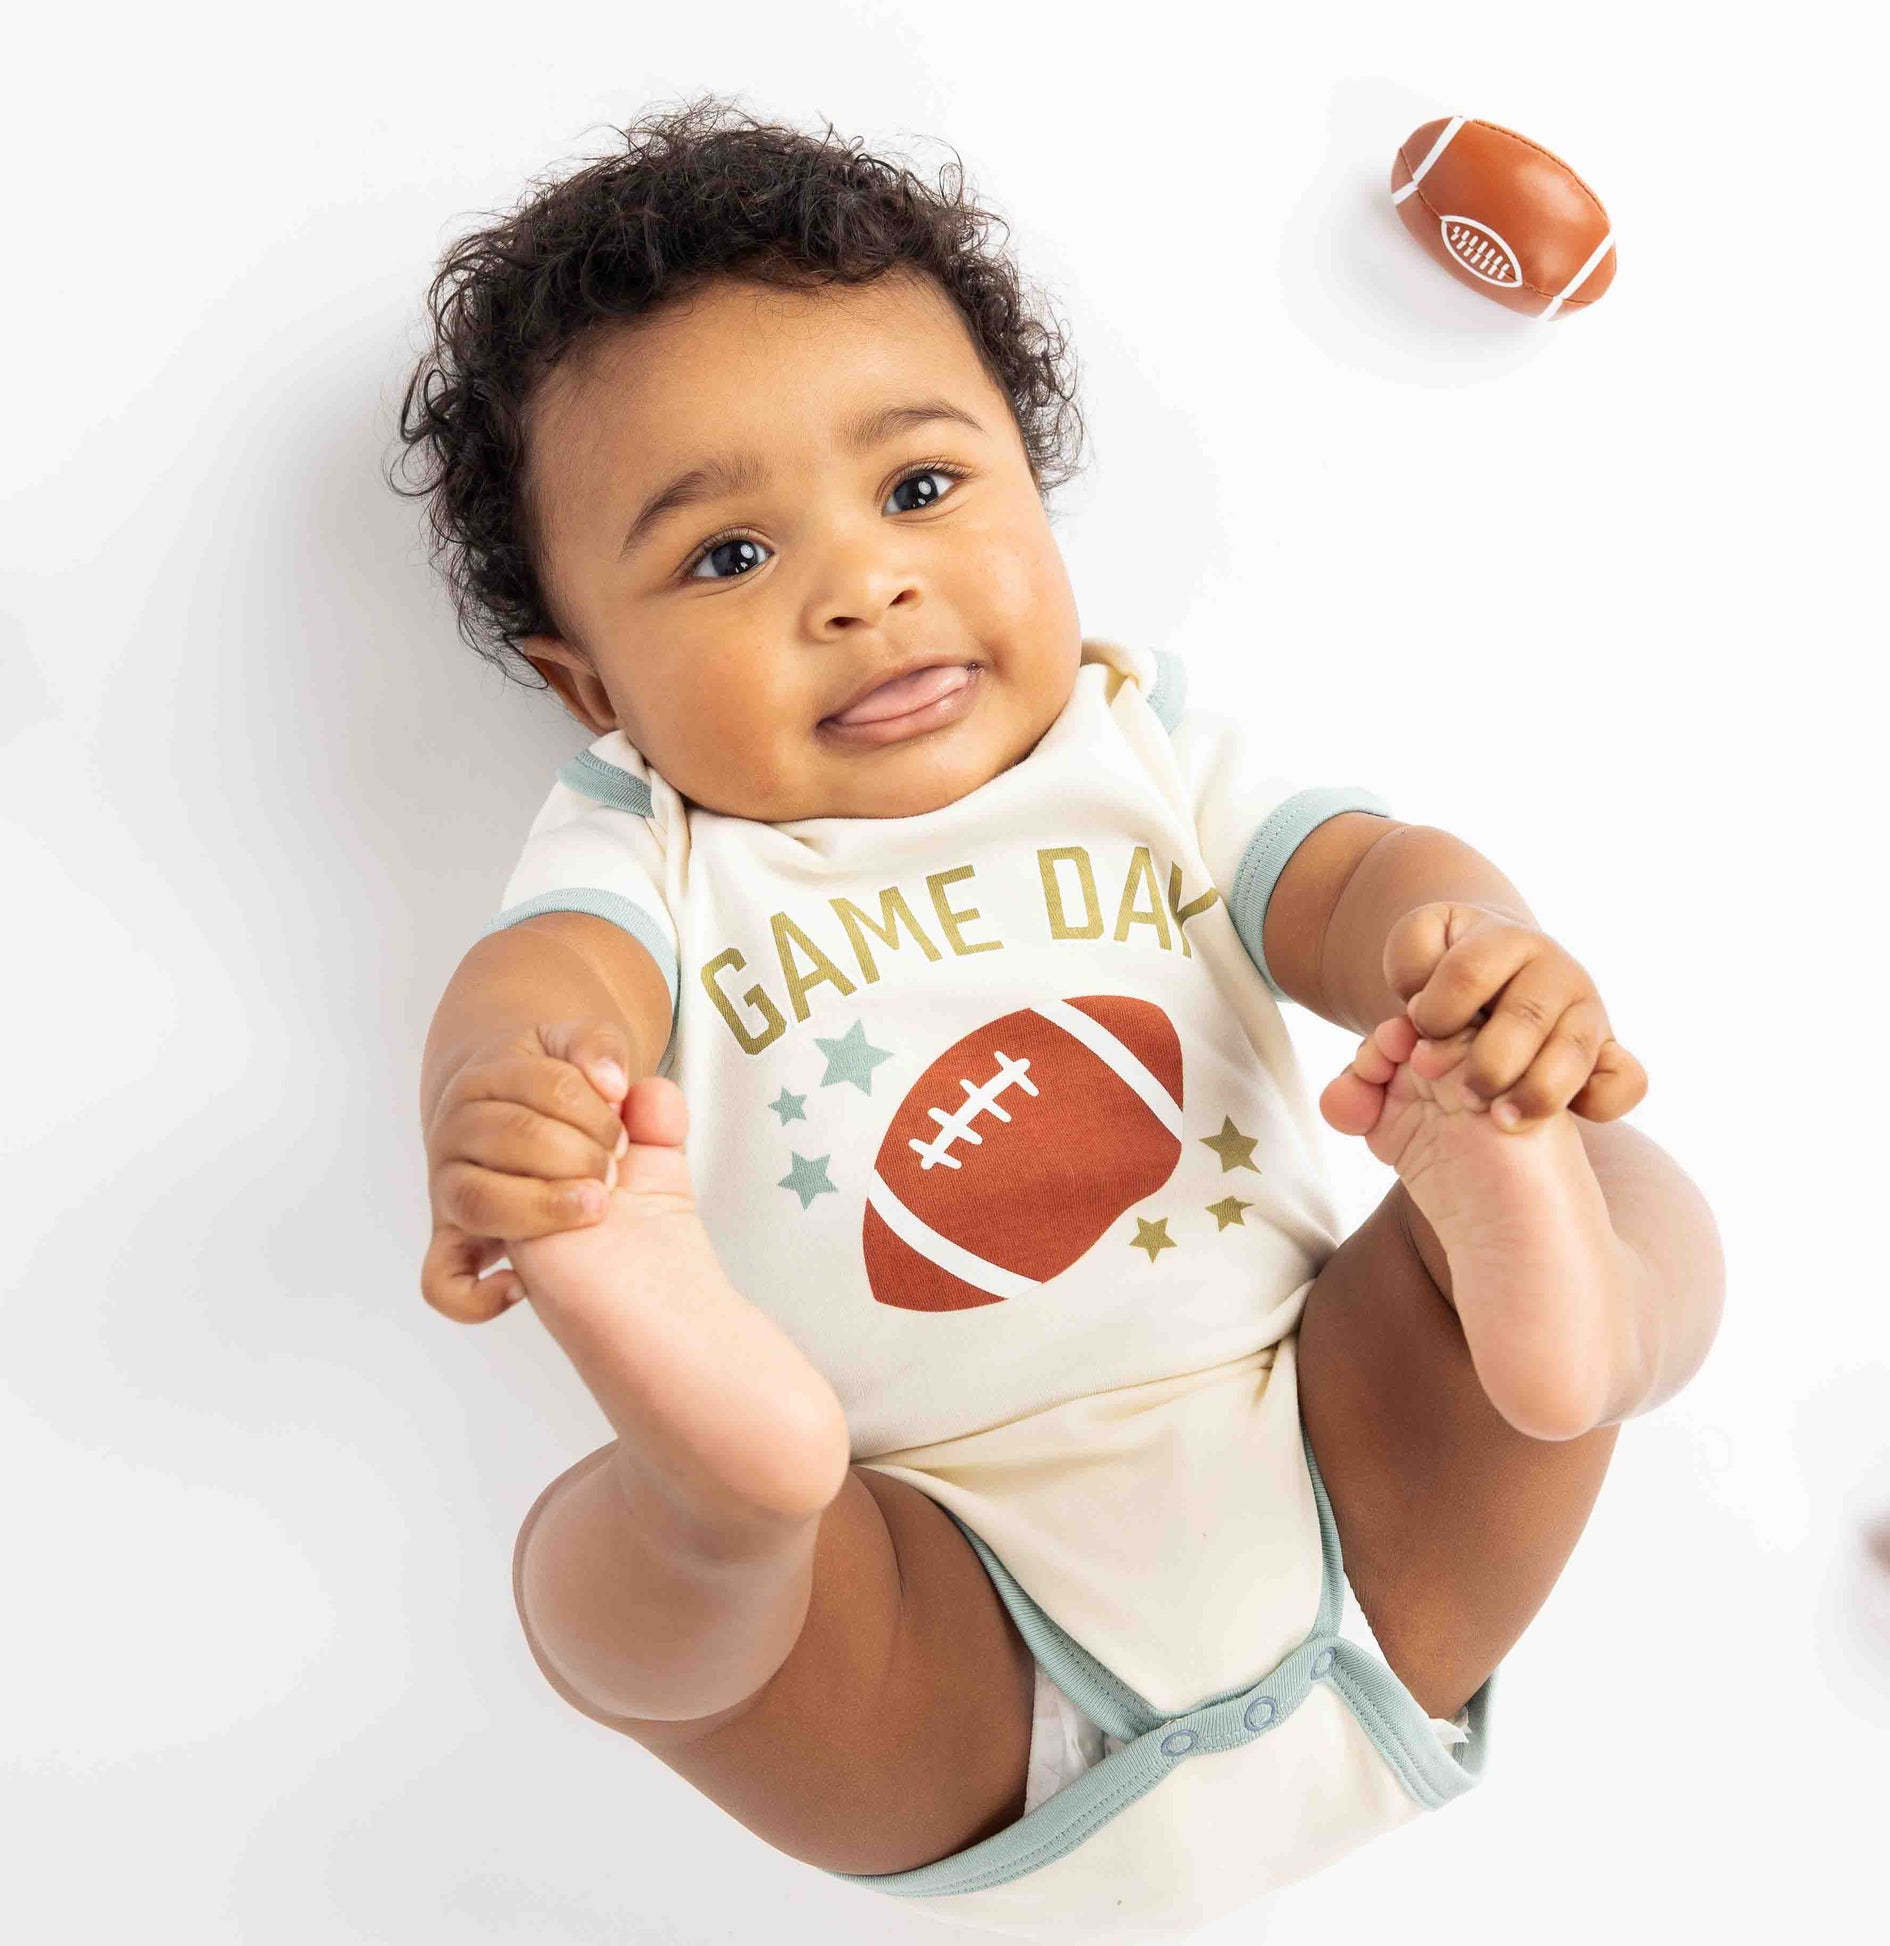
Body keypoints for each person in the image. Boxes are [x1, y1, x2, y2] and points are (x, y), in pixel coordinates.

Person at [393, 97, 1724, 1942]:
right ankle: (733, 1491)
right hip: (932, 1613)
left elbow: (1348, 880)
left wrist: (1463, 953)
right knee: (610, 1600)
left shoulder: (1136, 742)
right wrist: (516, 1095)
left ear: (1031, 489)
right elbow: (549, 983)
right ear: (586, 682)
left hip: (1351, 1479)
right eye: (725, 559)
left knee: (1605, 1169)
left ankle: (1568, 1320)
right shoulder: (658, 848)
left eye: (922, 489)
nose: (862, 586)